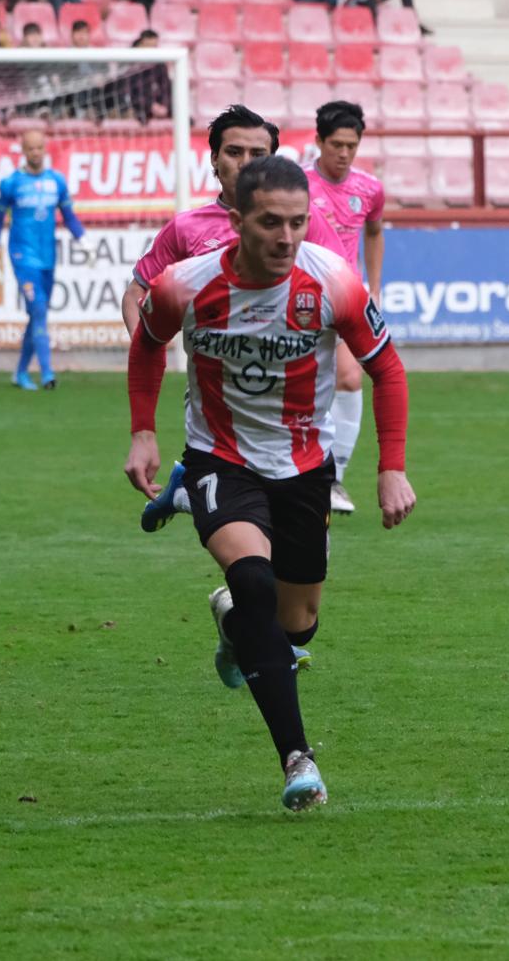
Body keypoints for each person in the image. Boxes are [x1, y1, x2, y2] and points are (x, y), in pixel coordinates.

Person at [124, 155, 416, 812]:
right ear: (235, 220)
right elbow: (146, 345)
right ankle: (297, 759)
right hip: (219, 459)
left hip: (305, 469)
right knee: (254, 581)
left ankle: (233, 623)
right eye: (269, 224)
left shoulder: (332, 281)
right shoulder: (185, 285)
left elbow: (387, 369)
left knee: (296, 626)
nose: (286, 238)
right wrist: (143, 432)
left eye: (297, 222)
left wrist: (391, 466)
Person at [123, 106, 345, 533]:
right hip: (219, 389)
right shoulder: (186, 229)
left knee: (297, 545)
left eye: (258, 154)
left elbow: (341, 288)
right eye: (234, 152)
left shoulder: (304, 223)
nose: (246, 163)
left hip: (296, 395)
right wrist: (146, 347)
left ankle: (187, 493)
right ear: (214, 159)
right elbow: (136, 293)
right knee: (246, 521)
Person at [303, 101, 386, 516]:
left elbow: (374, 232)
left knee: (352, 378)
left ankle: (333, 479)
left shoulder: (369, 189)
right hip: (299, 299)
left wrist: (374, 287)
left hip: (345, 297)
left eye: (352, 145)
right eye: (336, 144)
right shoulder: (297, 185)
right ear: (319, 141)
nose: (344, 153)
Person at [0, 130, 86, 391]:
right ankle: (47, 373)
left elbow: (69, 216)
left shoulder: (56, 182)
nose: (36, 152)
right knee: (38, 309)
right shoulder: (11, 183)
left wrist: (84, 240)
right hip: (22, 257)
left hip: (47, 258)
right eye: (31, 148)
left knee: (36, 314)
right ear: (23, 151)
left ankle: (20, 373)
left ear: (45, 148)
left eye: (39, 147)